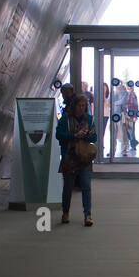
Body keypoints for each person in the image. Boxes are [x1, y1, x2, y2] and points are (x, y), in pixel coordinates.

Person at [55, 94, 96, 226]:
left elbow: (94, 137)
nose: (81, 108)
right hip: (70, 156)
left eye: (84, 106)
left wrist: (88, 136)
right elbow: (58, 135)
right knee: (68, 187)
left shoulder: (90, 119)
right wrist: (73, 135)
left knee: (86, 186)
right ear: (74, 106)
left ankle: (87, 215)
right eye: (79, 105)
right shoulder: (66, 119)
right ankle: (65, 213)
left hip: (84, 157)